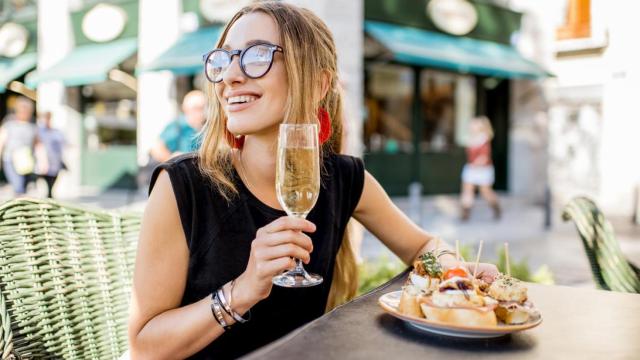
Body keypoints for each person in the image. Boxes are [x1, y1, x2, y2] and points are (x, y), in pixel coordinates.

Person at [128, 3, 498, 359]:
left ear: (319, 84)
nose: (230, 77)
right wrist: (242, 291)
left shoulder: (343, 178)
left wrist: (458, 273)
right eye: (223, 60)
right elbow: (144, 348)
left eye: (256, 57)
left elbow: (424, 246)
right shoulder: (183, 185)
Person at [460, 116, 501, 221]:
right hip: (471, 168)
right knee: (467, 190)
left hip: (483, 170)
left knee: (485, 191)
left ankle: (496, 207)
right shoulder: (471, 138)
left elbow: (484, 157)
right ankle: (465, 213)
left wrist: (476, 164)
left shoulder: (484, 139)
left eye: (475, 124)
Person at [149, 90, 207, 163]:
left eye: (202, 108)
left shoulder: (206, 128)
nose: (200, 112)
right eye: (196, 108)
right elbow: (157, 149)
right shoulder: (177, 126)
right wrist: (173, 162)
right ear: (185, 109)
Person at [0, 96, 38, 196]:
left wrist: (41, 160)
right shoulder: (9, 123)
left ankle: (21, 205)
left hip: (27, 160)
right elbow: (2, 141)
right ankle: (19, 205)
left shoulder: (32, 125)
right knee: (18, 185)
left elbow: (37, 143)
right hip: (10, 159)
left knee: (25, 186)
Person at [35, 111, 65, 198]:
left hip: (54, 162)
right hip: (41, 163)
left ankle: (49, 197)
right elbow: (37, 146)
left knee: (51, 186)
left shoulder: (57, 132)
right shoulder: (38, 131)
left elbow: (63, 145)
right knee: (41, 185)